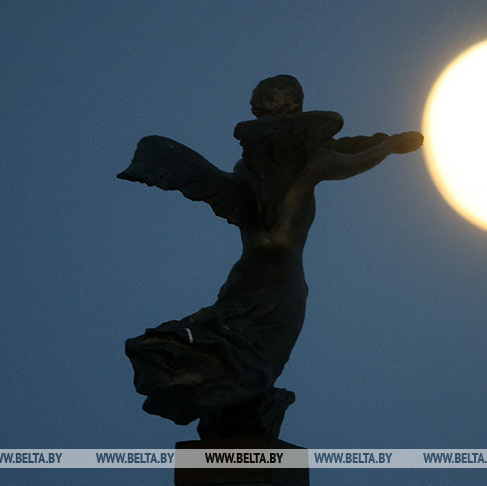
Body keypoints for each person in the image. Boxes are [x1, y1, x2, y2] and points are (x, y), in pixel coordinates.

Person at [120, 75, 422, 440]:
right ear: (294, 107)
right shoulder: (314, 163)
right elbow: (352, 162)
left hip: (246, 273)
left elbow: (344, 147)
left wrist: (378, 141)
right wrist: (391, 146)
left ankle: (221, 406)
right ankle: (230, 408)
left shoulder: (247, 170)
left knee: (236, 343)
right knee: (259, 361)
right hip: (282, 280)